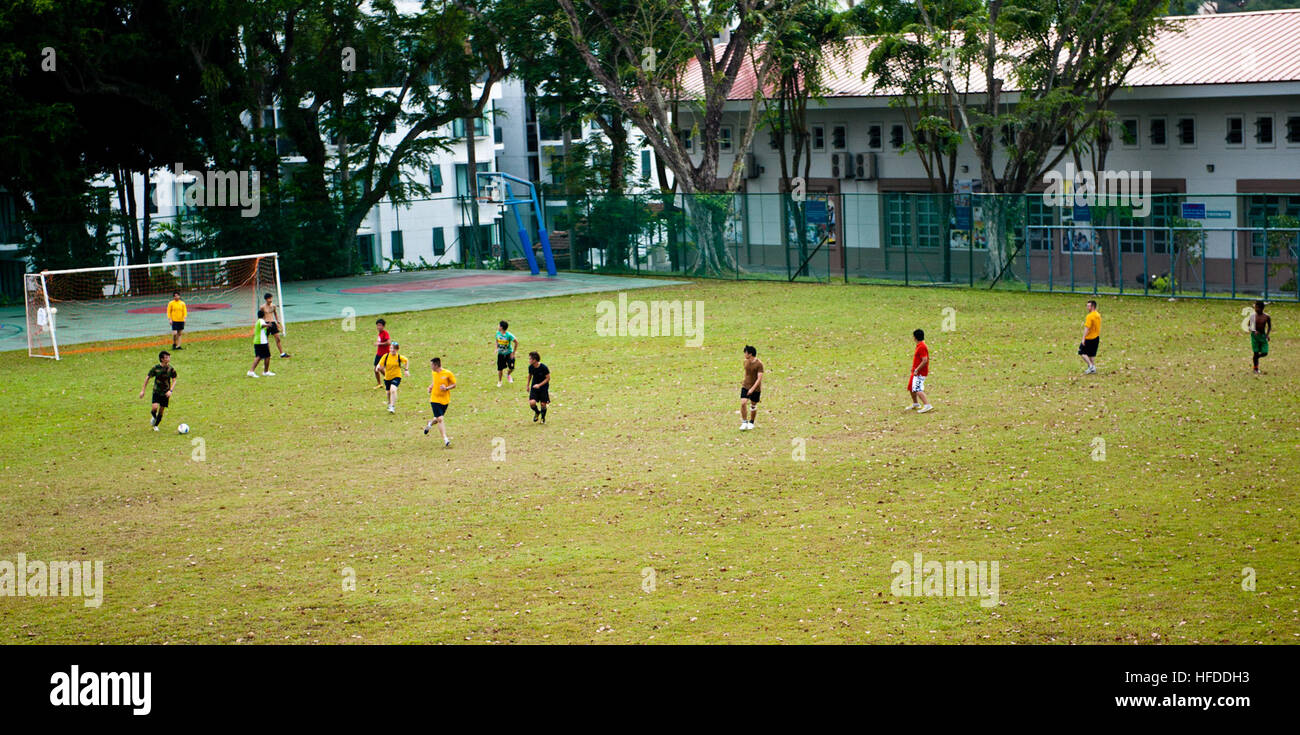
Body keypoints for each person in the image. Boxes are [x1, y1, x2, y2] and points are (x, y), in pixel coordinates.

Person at [139, 350, 178, 431]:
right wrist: (143, 390)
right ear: (162, 359)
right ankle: (154, 417)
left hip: (165, 393)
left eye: (169, 357)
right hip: (156, 391)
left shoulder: (171, 369)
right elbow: (147, 378)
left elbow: (174, 380)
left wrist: (170, 391)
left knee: (161, 410)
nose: (169, 358)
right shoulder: (156, 368)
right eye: (167, 357)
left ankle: (156, 425)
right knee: (154, 408)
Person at [424, 357, 457, 447]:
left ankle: (430, 424)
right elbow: (435, 382)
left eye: (431, 365)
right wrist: (431, 387)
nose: (430, 367)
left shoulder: (447, 373)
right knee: (440, 419)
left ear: (436, 365)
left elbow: (454, 384)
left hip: (445, 400)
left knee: (437, 418)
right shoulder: (433, 373)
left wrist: (446, 388)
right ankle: (446, 439)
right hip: (434, 399)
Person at [375, 342, 410, 413]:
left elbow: (406, 360)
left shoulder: (399, 357)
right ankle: (389, 403)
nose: (392, 350)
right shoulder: (386, 356)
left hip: (397, 376)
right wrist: (377, 368)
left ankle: (392, 406)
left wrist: (406, 370)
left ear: (397, 349)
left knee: (393, 390)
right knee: (388, 392)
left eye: (394, 348)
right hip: (387, 377)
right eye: (391, 348)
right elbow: (380, 364)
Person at [906, 330, 933, 413]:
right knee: (911, 387)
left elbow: (925, 360)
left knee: (917, 389)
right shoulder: (919, 345)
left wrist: (917, 369)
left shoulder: (922, 347)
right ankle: (916, 404)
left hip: (919, 372)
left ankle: (927, 405)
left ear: (915, 337)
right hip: (915, 371)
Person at [739, 345, 763, 430]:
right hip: (745, 386)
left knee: (753, 405)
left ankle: (751, 422)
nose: (744, 354)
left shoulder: (759, 364)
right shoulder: (745, 362)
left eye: (745, 353)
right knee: (743, 403)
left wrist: (752, 389)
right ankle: (744, 422)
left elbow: (759, 378)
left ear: (750, 354)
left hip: (755, 388)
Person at [247, 308, 275, 377]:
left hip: (260, 342)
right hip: (261, 342)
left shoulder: (258, 321)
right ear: (264, 315)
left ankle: (262, 371)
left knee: (261, 356)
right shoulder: (261, 321)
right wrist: (268, 325)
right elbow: (263, 325)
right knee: (265, 356)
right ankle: (256, 371)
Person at [262, 293, 289, 358]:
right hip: (266, 323)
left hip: (273, 323)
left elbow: (275, 313)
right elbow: (261, 316)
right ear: (266, 299)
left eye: (271, 298)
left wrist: (277, 321)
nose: (270, 300)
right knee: (266, 340)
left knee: (278, 338)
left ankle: (282, 353)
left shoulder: (273, 306)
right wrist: (263, 324)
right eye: (269, 298)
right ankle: (268, 354)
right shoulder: (262, 307)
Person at [527, 351, 551, 423]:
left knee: (543, 404)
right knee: (532, 403)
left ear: (535, 360)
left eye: (530, 359)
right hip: (534, 387)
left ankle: (543, 418)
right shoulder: (531, 367)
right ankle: (537, 412)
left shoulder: (544, 367)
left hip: (543, 387)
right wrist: (527, 385)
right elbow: (530, 376)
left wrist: (539, 385)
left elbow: (548, 378)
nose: (529, 360)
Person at [1079, 299, 1101, 374]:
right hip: (1096, 337)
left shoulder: (1090, 316)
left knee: (1082, 352)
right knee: (1091, 354)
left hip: (1089, 338)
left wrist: (1083, 339)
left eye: (1088, 306)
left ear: (1093, 306)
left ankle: (1091, 366)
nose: (1087, 307)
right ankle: (1093, 368)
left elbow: (1087, 328)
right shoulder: (1098, 315)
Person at [1249, 300, 1272, 374]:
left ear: (1261, 308)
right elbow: (1249, 326)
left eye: (1256, 307)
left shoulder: (1267, 317)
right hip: (1255, 337)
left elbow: (1269, 326)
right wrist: (1253, 330)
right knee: (1255, 352)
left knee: (1265, 353)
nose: (1255, 309)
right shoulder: (1253, 316)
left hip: (1262, 336)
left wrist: (1267, 335)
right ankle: (1255, 368)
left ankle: (1256, 358)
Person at [495, 320, 518, 387]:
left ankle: (508, 374)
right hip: (501, 354)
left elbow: (516, 342)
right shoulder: (497, 333)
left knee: (512, 367)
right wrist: (496, 348)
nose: (498, 326)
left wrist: (513, 353)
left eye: (499, 325)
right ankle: (500, 381)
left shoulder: (509, 335)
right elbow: (496, 341)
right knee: (500, 369)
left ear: (501, 327)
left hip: (509, 354)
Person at [373, 319, 391, 388]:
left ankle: (390, 379)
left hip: (384, 354)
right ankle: (379, 384)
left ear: (383, 326)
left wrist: (379, 344)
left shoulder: (385, 333)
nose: (378, 327)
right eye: (377, 325)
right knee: (375, 369)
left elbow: (389, 342)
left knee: (380, 368)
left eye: (380, 325)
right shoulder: (380, 333)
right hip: (379, 354)